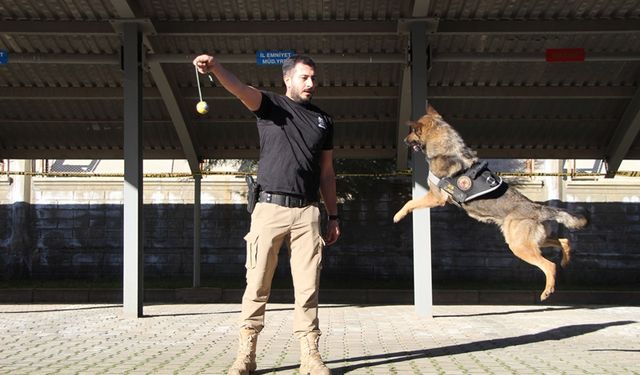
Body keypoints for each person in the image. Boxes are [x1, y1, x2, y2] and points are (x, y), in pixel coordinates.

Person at [193, 53, 340, 375]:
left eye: (314, 78)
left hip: (308, 213)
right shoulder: (270, 106)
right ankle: (246, 355)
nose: (311, 84)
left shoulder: (324, 121)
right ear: (287, 79)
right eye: (304, 77)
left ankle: (310, 357)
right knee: (256, 284)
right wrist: (216, 68)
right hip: (269, 210)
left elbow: (327, 173)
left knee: (308, 288)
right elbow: (238, 89)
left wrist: (333, 215)